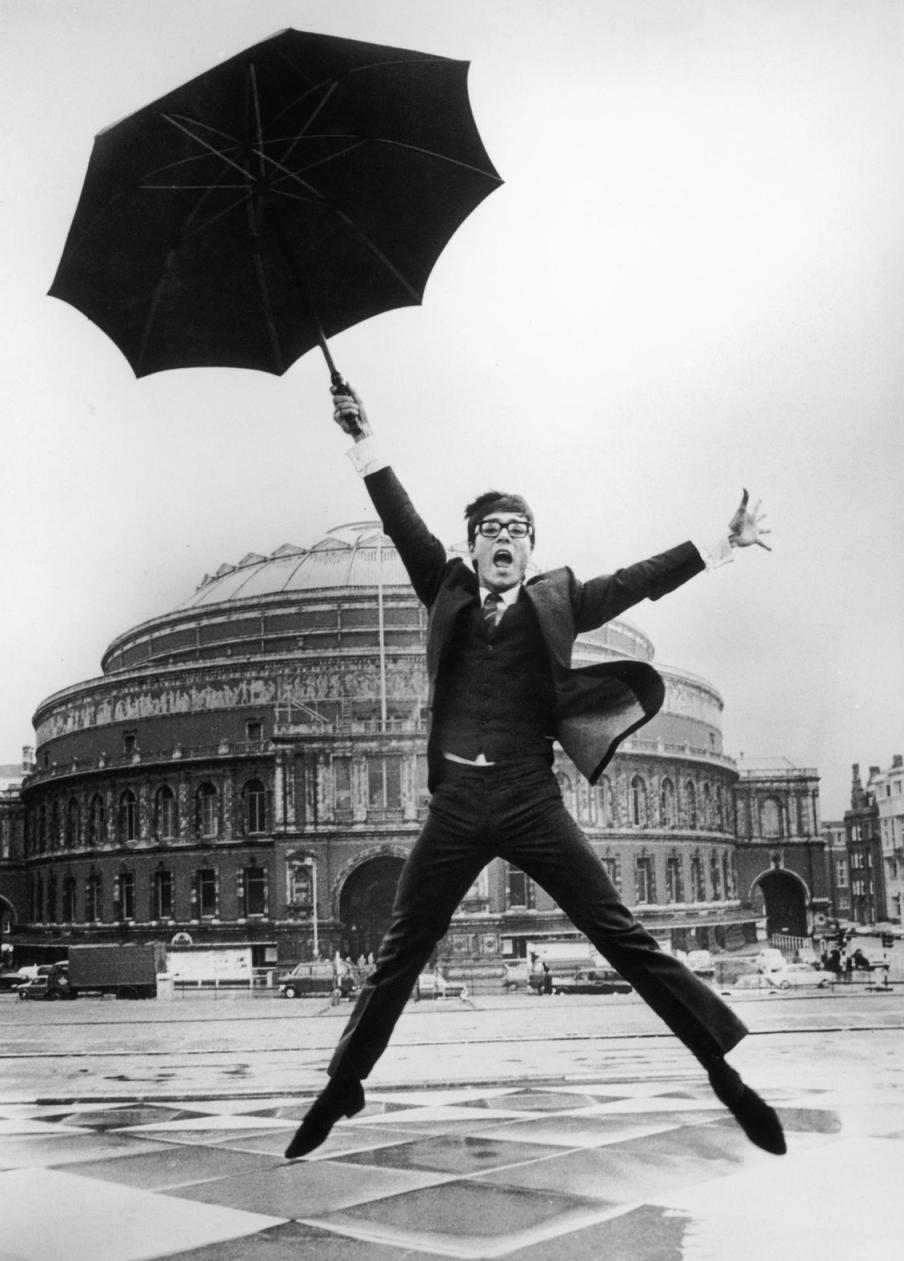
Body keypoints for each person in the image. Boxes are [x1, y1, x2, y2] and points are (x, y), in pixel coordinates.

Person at [284, 386, 784, 1160]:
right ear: (474, 548)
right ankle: (343, 1083)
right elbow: (400, 518)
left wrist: (718, 545)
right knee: (401, 948)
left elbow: (639, 577)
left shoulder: (560, 599)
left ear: (531, 547)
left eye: (516, 529)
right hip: (456, 804)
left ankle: (721, 1067)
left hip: (526, 796)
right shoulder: (444, 587)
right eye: (489, 531)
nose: (503, 539)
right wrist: (365, 438)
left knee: (618, 931)